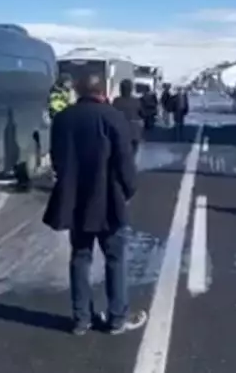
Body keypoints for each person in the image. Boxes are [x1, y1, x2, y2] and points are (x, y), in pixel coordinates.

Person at [42, 72, 148, 336]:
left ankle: (81, 320)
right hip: (108, 200)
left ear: (77, 91)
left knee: (80, 257)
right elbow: (125, 162)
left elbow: (56, 158)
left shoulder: (64, 118)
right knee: (115, 259)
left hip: (76, 200)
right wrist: (129, 190)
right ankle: (117, 318)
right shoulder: (113, 117)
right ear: (103, 92)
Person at [112, 78, 143, 156]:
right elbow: (142, 114)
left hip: (120, 130)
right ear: (131, 89)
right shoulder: (136, 101)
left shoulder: (116, 101)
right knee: (133, 152)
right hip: (133, 130)